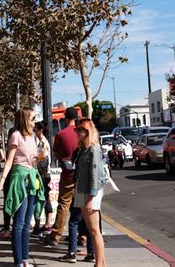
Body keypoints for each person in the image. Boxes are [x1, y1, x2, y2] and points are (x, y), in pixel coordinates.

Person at [0, 108, 45, 267]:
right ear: (24, 119)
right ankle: (18, 262)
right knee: (19, 223)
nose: (34, 121)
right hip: (20, 180)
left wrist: (39, 158)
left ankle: (25, 260)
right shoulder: (16, 136)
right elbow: (8, 162)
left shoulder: (32, 138)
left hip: (32, 179)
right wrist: (1, 184)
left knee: (27, 224)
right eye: (32, 118)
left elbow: (33, 161)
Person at [72, 118, 106, 267]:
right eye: (77, 130)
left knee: (94, 230)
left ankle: (99, 264)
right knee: (89, 228)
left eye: (80, 130)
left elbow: (95, 175)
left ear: (88, 132)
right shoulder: (83, 149)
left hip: (90, 192)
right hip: (81, 190)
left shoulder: (94, 149)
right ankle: (102, 263)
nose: (77, 133)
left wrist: (91, 198)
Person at [43, 107, 79, 246]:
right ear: (75, 118)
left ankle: (56, 235)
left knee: (64, 204)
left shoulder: (60, 135)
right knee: (80, 204)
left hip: (67, 174)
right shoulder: (81, 133)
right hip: (81, 175)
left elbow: (56, 153)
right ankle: (82, 235)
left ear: (66, 118)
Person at [33, 121, 53, 236]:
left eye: (35, 129)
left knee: (41, 199)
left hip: (42, 175)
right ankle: (46, 224)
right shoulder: (42, 142)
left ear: (40, 130)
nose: (34, 131)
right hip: (45, 174)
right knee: (45, 198)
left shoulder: (42, 143)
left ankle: (41, 225)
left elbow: (41, 161)